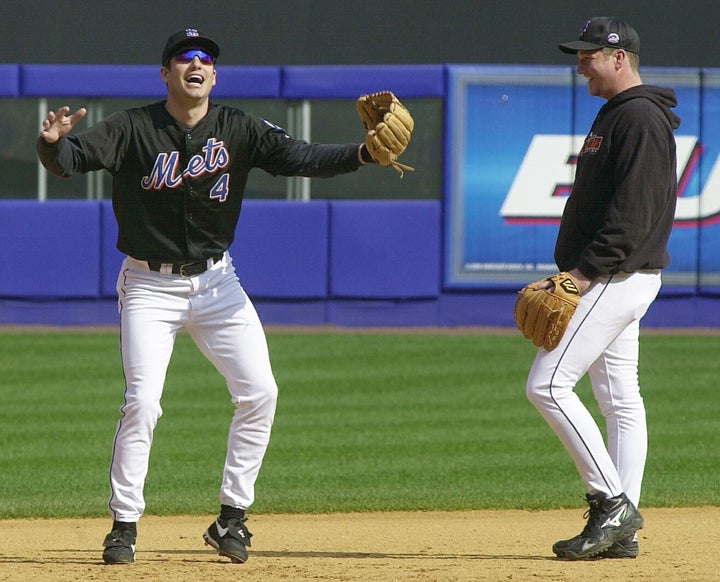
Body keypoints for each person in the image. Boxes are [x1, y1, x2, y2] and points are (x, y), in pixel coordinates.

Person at [37, 28, 400, 565]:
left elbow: (301, 156)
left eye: (206, 58)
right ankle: (124, 525)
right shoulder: (133, 127)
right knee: (143, 403)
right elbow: (72, 160)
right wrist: (50, 143)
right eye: (184, 58)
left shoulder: (238, 128)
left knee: (261, 393)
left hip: (217, 284)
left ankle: (231, 519)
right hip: (149, 284)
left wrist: (364, 154)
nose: (197, 64)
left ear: (215, 73)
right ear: (166, 73)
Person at [524, 17, 680, 560]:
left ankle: (611, 503)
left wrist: (583, 273)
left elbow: (633, 215)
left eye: (590, 54)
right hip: (620, 274)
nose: (581, 63)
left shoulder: (638, 118)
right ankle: (624, 527)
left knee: (546, 386)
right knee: (620, 401)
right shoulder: (618, 113)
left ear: (621, 58)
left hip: (615, 276)